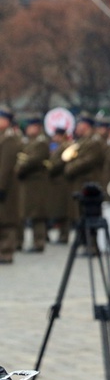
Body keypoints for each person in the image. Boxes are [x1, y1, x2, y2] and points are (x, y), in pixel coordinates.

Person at [15, 117, 50, 252]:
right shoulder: (28, 141)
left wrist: (19, 167)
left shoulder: (41, 142)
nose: (29, 129)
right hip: (26, 182)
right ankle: (19, 241)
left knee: (37, 214)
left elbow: (33, 160)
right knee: (22, 213)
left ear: (38, 127)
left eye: (31, 127)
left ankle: (39, 242)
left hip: (36, 183)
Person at [0, 109, 21, 264]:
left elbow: (5, 167)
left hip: (5, 186)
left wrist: (0, 187)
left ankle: (6, 252)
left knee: (7, 220)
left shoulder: (9, 139)